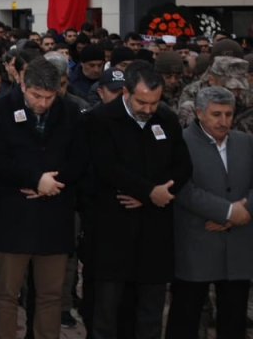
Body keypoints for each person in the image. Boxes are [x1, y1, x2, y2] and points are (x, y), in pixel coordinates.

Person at [84, 65, 192, 339]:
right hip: (113, 231)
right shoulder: (100, 120)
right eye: (142, 102)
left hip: (154, 233)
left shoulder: (166, 120)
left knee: (150, 313)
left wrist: (156, 194)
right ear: (125, 92)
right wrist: (148, 191)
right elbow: (106, 166)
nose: (148, 108)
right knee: (107, 313)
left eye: (154, 102)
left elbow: (182, 166)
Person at [0, 59, 86, 339]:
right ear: (23, 85)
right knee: (6, 293)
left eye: (49, 97)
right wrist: (34, 180)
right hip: (12, 215)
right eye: (36, 96)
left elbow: (81, 159)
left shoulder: (71, 112)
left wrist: (52, 183)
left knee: (50, 295)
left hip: (55, 214)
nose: (42, 103)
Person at [165, 86, 252, 339]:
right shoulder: (180, 142)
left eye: (228, 114)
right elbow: (183, 188)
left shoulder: (246, 142)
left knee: (234, 318)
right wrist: (226, 212)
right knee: (186, 315)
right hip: (196, 243)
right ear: (200, 113)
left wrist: (241, 213)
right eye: (216, 114)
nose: (223, 121)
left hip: (238, 246)